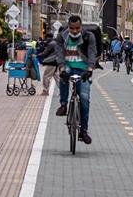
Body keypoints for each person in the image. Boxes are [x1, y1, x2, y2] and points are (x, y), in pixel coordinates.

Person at [53, 15, 96, 145]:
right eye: (72, 28)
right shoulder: (62, 36)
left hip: (83, 69)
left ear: (81, 26)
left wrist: (90, 69)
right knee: (63, 75)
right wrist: (61, 68)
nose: (75, 31)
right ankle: (63, 105)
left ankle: (83, 131)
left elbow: (92, 53)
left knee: (84, 99)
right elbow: (59, 53)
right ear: (68, 27)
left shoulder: (88, 36)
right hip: (68, 66)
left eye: (77, 28)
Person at [36, 30, 60, 97]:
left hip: (51, 62)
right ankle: (63, 90)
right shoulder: (55, 43)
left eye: (46, 38)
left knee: (46, 76)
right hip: (56, 62)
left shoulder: (51, 44)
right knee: (56, 77)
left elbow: (45, 53)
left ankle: (45, 91)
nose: (45, 39)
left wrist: (37, 55)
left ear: (48, 37)